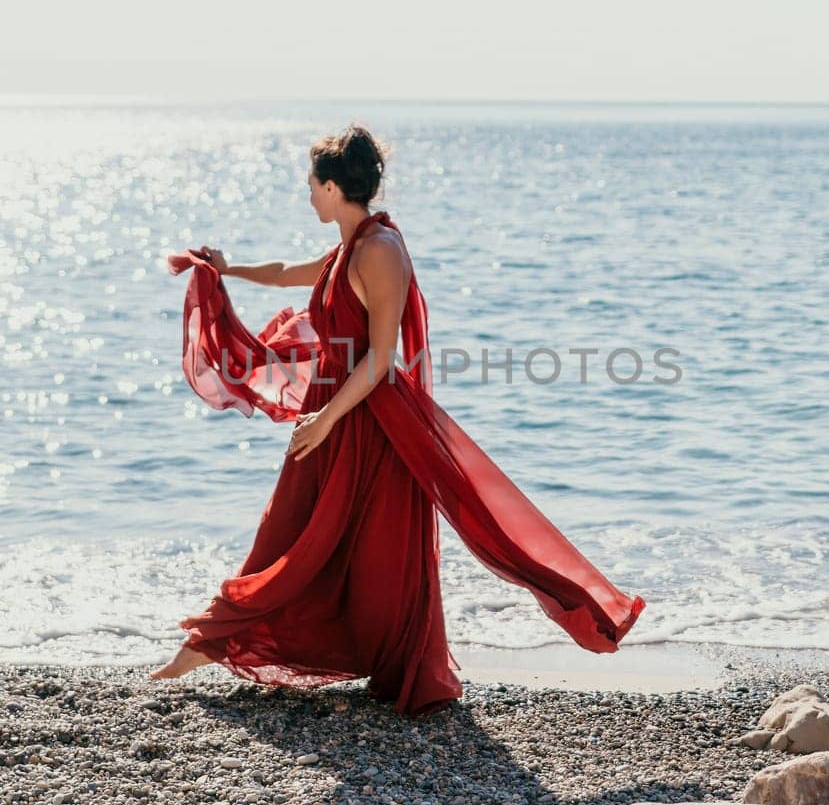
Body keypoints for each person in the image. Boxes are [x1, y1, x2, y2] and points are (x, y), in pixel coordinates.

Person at [150, 124, 644, 715]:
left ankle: (245, 646)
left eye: (311, 185)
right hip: (333, 415)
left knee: (373, 550)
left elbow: (382, 358)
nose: (307, 195)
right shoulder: (350, 246)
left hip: (369, 423)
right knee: (290, 530)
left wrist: (328, 419)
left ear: (333, 186)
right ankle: (212, 642)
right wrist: (227, 270)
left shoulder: (379, 251)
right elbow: (287, 271)